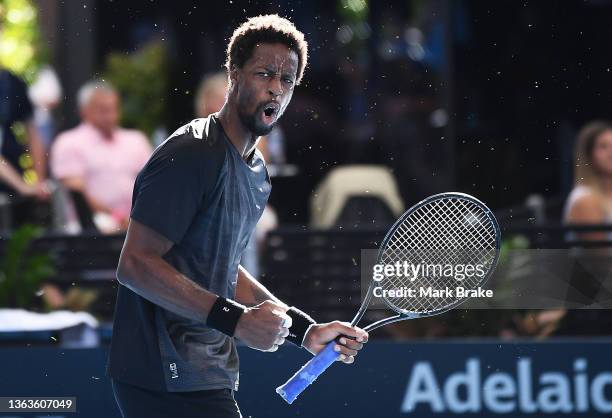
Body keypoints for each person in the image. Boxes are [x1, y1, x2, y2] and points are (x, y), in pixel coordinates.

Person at [107, 15, 368, 418]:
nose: (275, 89)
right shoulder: (191, 155)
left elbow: (223, 267)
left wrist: (304, 330)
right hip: (161, 370)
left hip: (209, 368)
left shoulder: (256, 173)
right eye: (264, 73)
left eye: (287, 80)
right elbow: (135, 265)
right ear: (233, 74)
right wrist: (237, 321)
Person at [50, 81, 152, 232]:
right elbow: (77, 194)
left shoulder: (136, 140)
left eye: (114, 109)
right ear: (84, 111)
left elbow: (153, 183)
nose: (111, 116)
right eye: (103, 110)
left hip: (137, 226)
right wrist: (119, 218)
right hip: (90, 229)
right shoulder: (69, 143)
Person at [0, 68, 47, 192]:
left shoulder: (11, 82)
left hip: (11, 180)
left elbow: (33, 134)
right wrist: (22, 186)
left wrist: (40, 181)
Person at [564, 121, 612, 238]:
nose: (611, 152)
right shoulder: (585, 199)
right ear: (588, 155)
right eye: (603, 146)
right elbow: (600, 254)